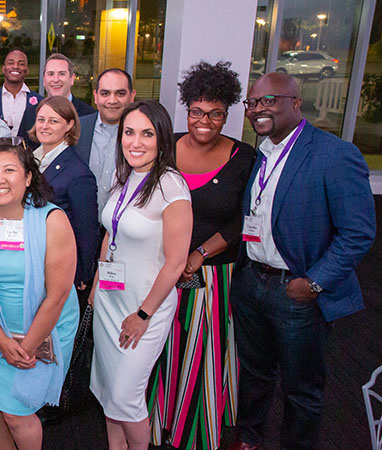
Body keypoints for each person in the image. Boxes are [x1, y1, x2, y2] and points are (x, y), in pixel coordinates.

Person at [229, 72, 375, 450]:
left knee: (301, 387)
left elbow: (358, 232)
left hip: (296, 291)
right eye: (252, 103)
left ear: (296, 103)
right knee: (255, 374)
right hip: (251, 282)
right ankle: (249, 439)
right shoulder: (262, 152)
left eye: (269, 100)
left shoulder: (333, 153)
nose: (258, 109)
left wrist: (313, 282)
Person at [146, 61, 255, 450]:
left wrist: (197, 254)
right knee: (159, 348)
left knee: (200, 355)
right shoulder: (165, 146)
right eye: (196, 111)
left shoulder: (244, 158)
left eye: (215, 113)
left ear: (228, 113)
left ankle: (193, 431)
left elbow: (246, 220)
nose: (204, 120)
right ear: (186, 109)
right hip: (158, 269)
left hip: (211, 277)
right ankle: (156, 423)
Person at [0, 143, 80, 449]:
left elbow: (58, 294)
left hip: (44, 331)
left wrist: (25, 347)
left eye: (9, 170)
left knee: (16, 414)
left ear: (27, 178)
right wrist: (2, 343)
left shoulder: (52, 221)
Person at [88, 100, 192, 449]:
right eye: (129, 132)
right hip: (110, 300)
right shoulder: (126, 175)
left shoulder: (171, 187)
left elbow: (176, 263)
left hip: (144, 307)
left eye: (147, 134)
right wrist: (99, 283)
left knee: (126, 397)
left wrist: (144, 314)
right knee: (107, 392)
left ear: (162, 139)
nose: (136, 141)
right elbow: (110, 232)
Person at [29, 96, 98, 303]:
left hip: (58, 266)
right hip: (31, 261)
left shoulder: (78, 173)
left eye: (54, 121)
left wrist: (82, 272)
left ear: (69, 125)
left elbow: (86, 229)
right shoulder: (29, 160)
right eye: (41, 120)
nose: (45, 126)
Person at [76, 69, 136, 218]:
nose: (112, 100)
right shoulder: (77, 130)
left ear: (132, 96)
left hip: (125, 228)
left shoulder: (143, 136)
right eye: (105, 93)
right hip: (82, 226)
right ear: (96, 97)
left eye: (120, 93)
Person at [0, 48, 43, 147]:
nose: (15, 66)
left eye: (21, 64)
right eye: (11, 63)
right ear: (3, 69)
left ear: (27, 70)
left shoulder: (39, 102)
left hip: (29, 159)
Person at [43, 53, 95, 117]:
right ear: (44, 80)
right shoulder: (31, 114)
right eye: (50, 74)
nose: (56, 80)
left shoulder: (88, 114)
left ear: (72, 79)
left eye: (62, 74)